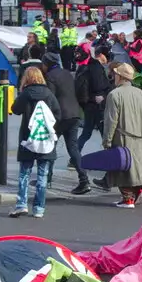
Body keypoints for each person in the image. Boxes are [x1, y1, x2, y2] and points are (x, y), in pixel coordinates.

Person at [10, 65, 62, 219]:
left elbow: (15, 109)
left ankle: (21, 204)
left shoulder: (25, 94)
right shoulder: (49, 94)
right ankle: (39, 208)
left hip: (28, 139)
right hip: (44, 139)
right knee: (42, 176)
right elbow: (58, 114)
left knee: (24, 173)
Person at [103, 63, 142, 207]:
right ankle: (139, 190)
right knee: (137, 165)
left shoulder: (114, 94)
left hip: (122, 135)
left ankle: (128, 199)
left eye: (115, 74)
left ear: (119, 76)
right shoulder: (141, 93)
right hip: (141, 135)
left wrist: (107, 140)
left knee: (122, 167)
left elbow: (111, 120)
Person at [44, 52, 89, 194]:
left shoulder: (50, 77)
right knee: (73, 148)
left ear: (47, 64)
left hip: (60, 116)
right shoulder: (68, 73)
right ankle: (84, 180)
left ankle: (46, 178)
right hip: (74, 114)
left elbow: (50, 98)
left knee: (51, 146)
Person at [77, 46, 114, 160]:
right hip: (97, 106)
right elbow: (100, 85)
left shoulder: (84, 67)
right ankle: (111, 158)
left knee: (87, 132)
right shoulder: (96, 67)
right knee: (105, 133)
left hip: (89, 105)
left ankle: (74, 158)